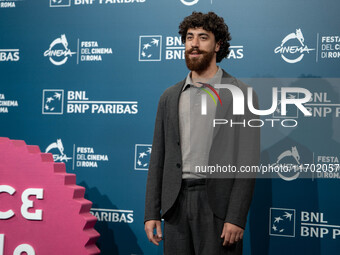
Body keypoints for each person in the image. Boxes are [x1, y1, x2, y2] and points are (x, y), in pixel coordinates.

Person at [144, 11, 260, 255]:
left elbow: (247, 162)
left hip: (218, 207)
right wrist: (152, 212)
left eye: (203, 37)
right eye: (189, 37)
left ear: (218, 45)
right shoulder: (169, 97)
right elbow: (158, 159)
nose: (194, 44)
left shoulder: (242, 94)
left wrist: (236, 216)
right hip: (175, 206)